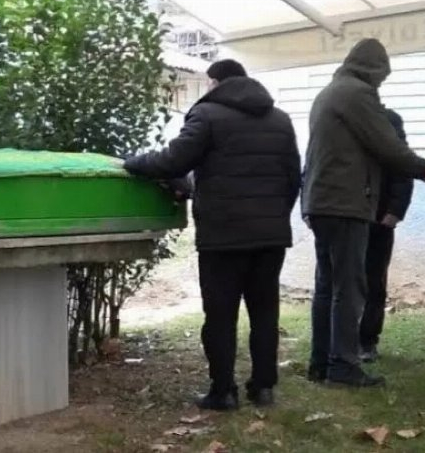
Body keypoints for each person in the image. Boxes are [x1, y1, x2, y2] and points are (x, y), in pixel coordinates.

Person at [123, 59, 301, 409]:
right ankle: (263, 388)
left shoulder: (207, 115)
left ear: (215, 82)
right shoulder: (280, 120)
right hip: (270, 236)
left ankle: (223, 392)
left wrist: (133, 162)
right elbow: (294, 177)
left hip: (223, 236)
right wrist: (276, 215)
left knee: (220, 316)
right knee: (265, 312)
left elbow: (173, 161)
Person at [303, 38, 425, 388]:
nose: (380, 84)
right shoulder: (356, 94)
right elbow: (388, 146)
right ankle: (343, 365)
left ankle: (320, 362)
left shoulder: (330, 91)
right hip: (345, 202)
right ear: (374, 70)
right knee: (350, 287)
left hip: (322, 201)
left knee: (326, 285)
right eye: (381, 77)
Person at [359, 107, 414, 363]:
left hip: (379, 216)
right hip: (345, 212)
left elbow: (402, 167)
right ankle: (339, 339)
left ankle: (367, 340)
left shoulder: (389, 121)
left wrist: (395, 210)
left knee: (374, 280)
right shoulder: (340, 118)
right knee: (340, 280)